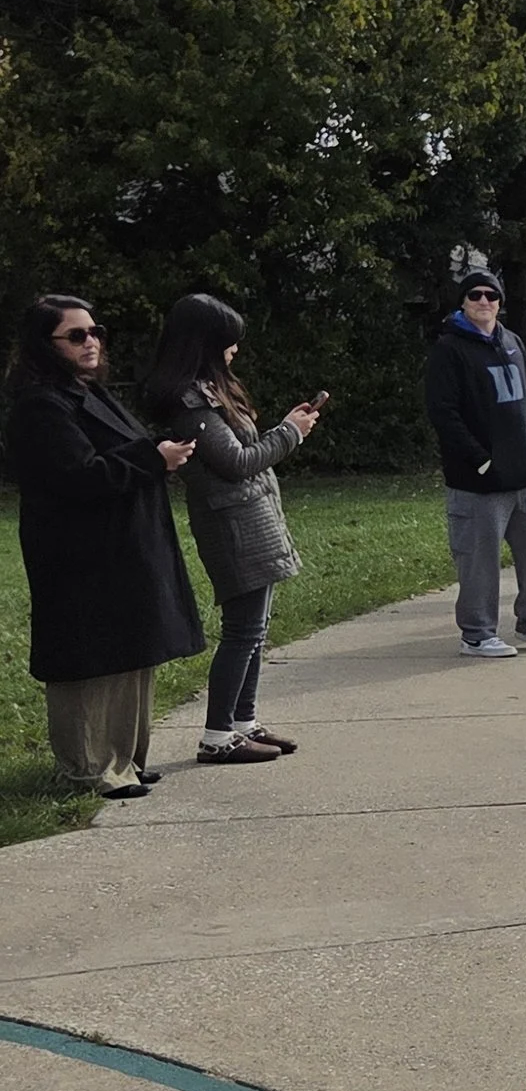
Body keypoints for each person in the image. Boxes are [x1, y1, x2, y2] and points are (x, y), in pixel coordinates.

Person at [6, 292, 201, 797]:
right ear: (45, 344)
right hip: (79, 553)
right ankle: (91, 767)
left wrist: (159, 455)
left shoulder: (86, 389)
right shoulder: (40, 403)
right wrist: (154, 459)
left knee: (132, 651)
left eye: (95, 333)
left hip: (121, 544)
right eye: (76, 335)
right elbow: (78, 474)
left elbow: (121, 452)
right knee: (90, 660)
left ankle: (125, 760)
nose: (90, 342)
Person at [140, 292, 322, 761]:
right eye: (228, 342)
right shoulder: (191, 404)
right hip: (232, 526)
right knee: (242, 631)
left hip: (251, 519)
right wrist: (290, 433)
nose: (235, 350)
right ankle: (217, 737)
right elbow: (237, 462)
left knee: (255, 630)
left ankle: (244, 722)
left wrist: (284, 430)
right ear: (204, 343)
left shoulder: (207, 391)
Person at [423, 271, 526, 658]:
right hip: (477, 482)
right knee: (479, 562)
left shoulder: (512, 341)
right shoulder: (449, 350)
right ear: (463, 302)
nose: (484, 302)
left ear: (500, 302)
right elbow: (444, 413)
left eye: (491, 296)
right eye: (475, 295)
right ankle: (477, 633)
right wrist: (480, 460)